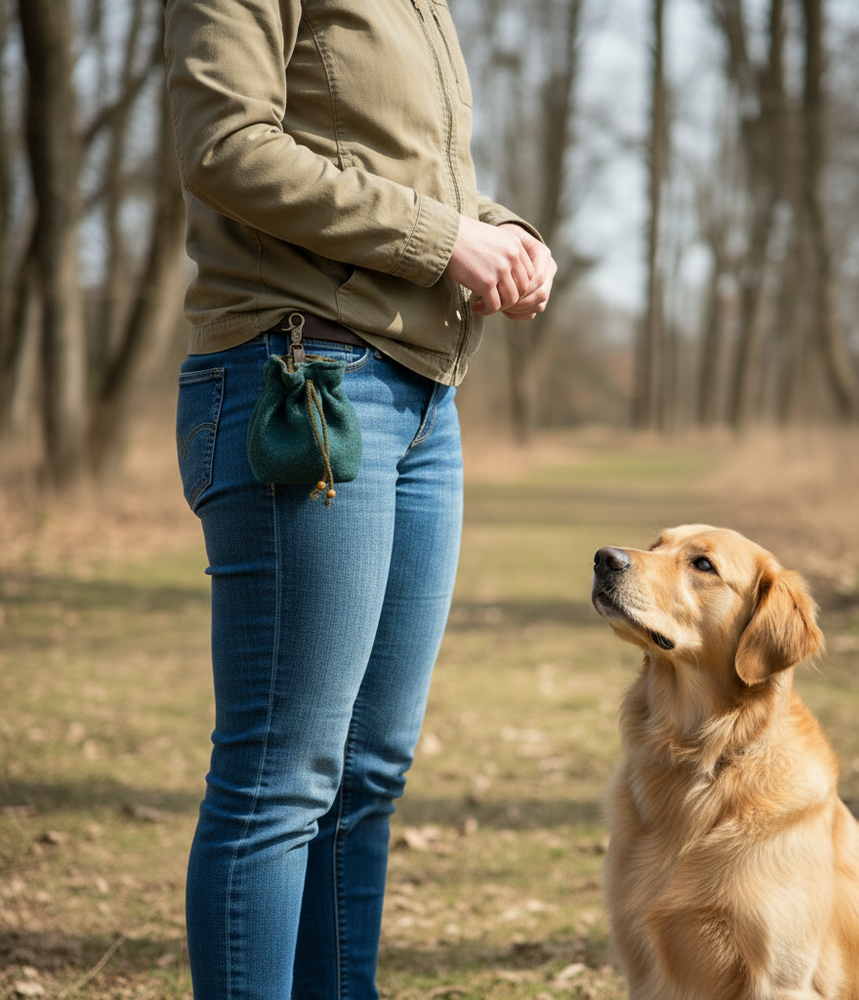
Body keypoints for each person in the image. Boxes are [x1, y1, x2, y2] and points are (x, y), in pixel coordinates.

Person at [161, 1, 557, 998]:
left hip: (422, 396)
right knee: (280, 776)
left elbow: (403, 165)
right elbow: (225, 147)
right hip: (305, 382)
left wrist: (499, 231)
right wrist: (440, 240)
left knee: (368, 770)